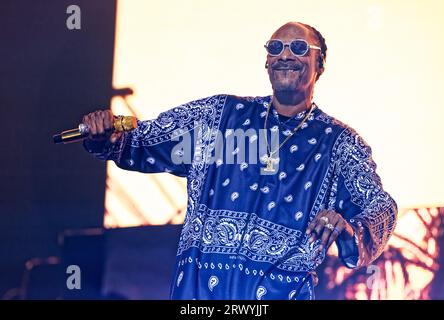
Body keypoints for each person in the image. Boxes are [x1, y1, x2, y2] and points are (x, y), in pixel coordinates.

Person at [82, 21, 397, 300]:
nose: (284, 55)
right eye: (275, 48)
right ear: (267, 61)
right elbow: (145, 139)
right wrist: (105, 134)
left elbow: (381, 207)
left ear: (320, 64)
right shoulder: (219, 117)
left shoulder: (339, 144)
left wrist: (347, 229)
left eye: (298, 48)